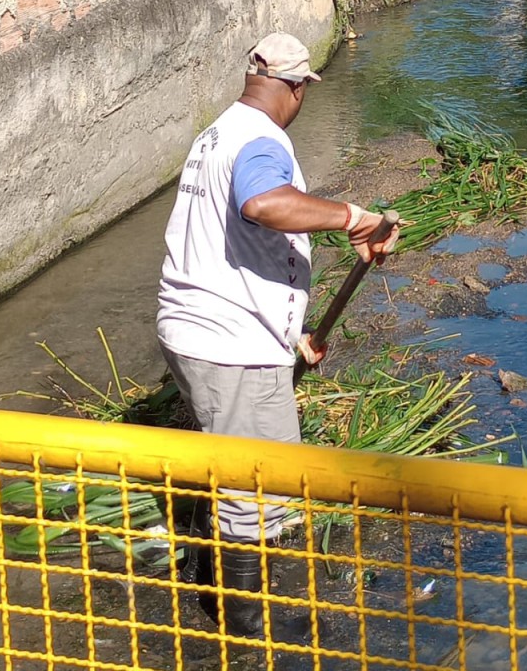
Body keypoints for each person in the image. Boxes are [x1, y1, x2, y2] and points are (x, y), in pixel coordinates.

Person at [156, 32, 398, 640]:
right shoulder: (264, 139)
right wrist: (353, 216)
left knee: (243, 471)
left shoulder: (218, 131)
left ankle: (233, 597)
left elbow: (232, 247)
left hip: (204, 330)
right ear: (295, 87)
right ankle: (244, 630)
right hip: (227, 343)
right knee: (260, 491)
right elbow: (262, 204)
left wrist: (290, 336)